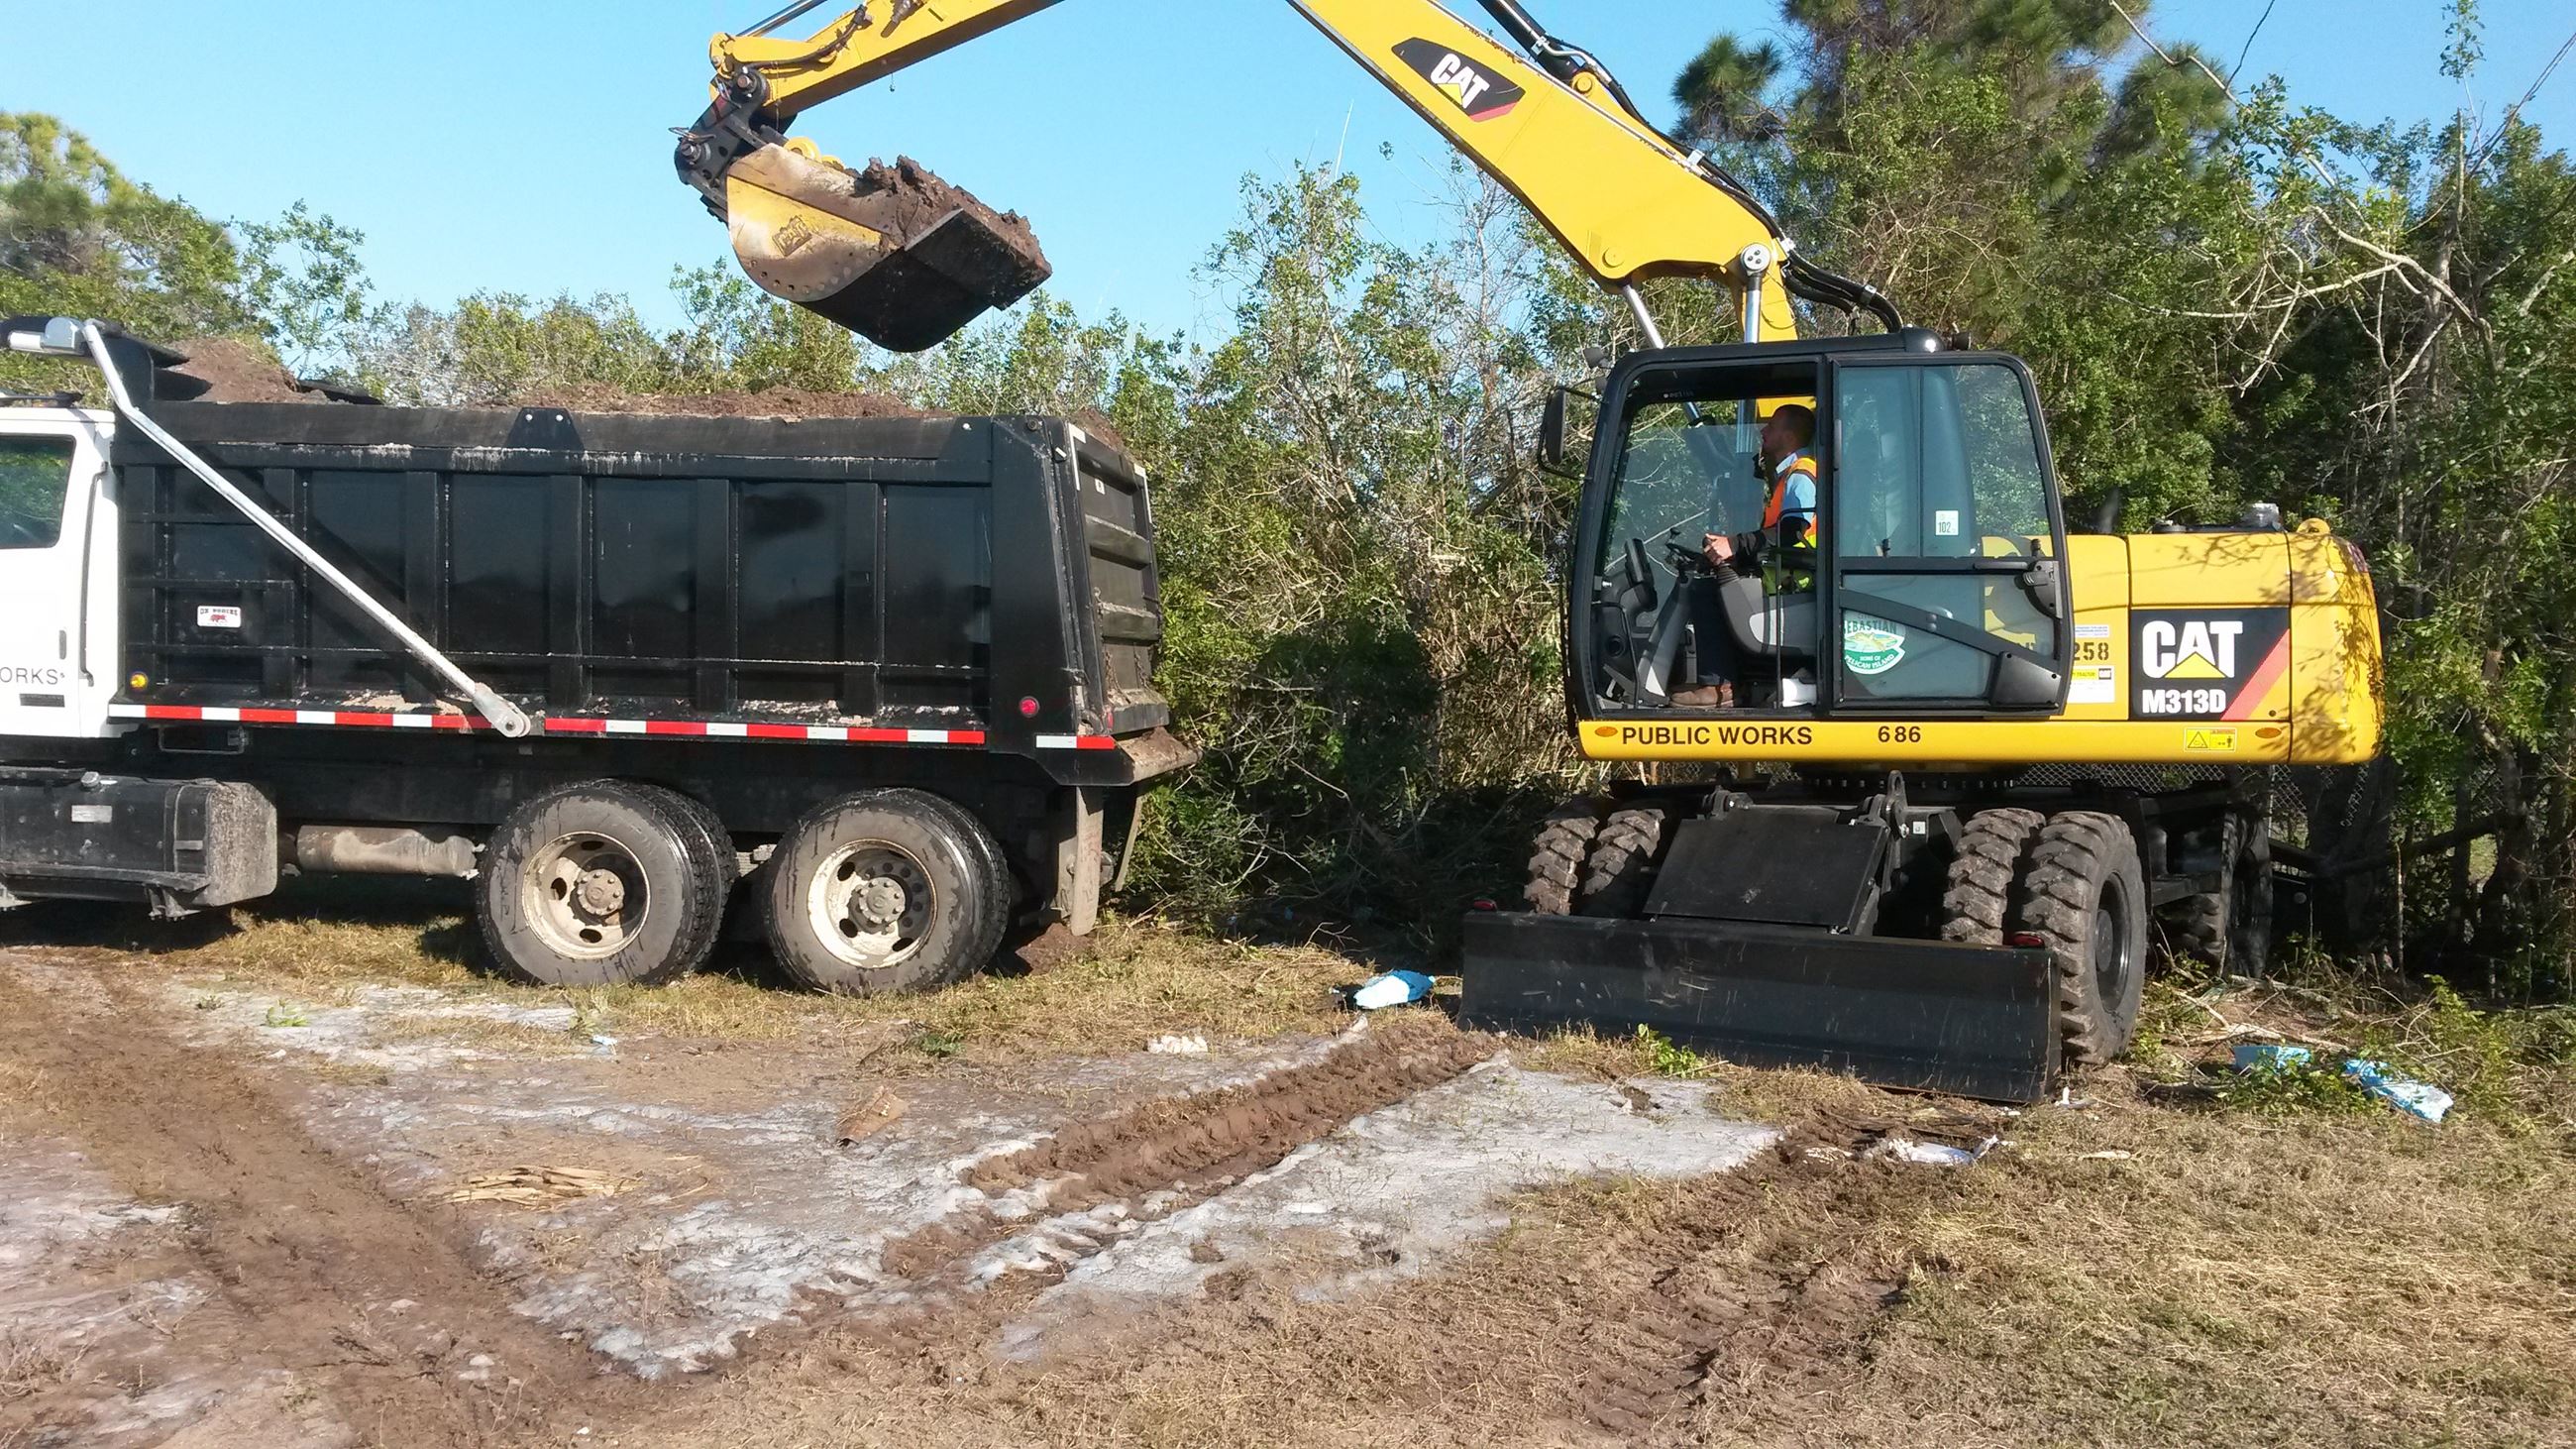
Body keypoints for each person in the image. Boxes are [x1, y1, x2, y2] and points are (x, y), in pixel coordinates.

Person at [1670, 403, 1817, 709]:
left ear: (1789, 436)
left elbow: (1792, 534)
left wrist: (1735, 545)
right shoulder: (1790, 474)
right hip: (1788, 575)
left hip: (1797, 583)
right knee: (1717, 579)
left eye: (1772, 426)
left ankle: (1719, 686)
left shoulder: (1802, 475)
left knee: (1707, 591)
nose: (1763, 431)